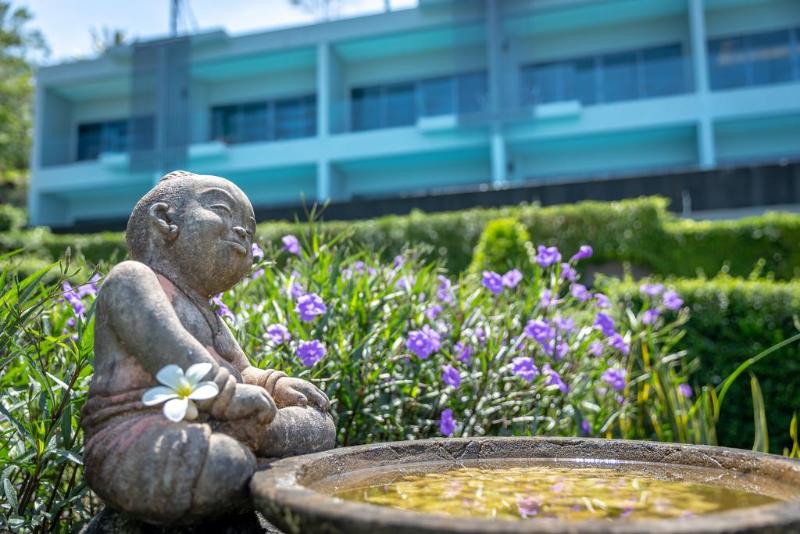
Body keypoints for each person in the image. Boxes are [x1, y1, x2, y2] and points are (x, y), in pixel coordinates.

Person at [81, 170, 335, 525]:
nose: (244, 232)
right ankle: (245, 450)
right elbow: (172, 352)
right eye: (222, 210)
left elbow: (242, 369)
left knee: (319, 424)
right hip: (140, 434)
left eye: (250, 226)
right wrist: (228, 398)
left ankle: (248, 442)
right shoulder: (132, 280)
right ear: (165, 220)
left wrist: (275, 385)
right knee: (225, 463)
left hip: (213, 421)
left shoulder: (208, 313)